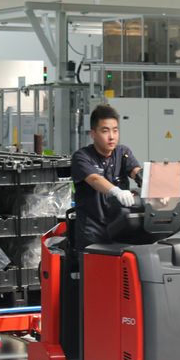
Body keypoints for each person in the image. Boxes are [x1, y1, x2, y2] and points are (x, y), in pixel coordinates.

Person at [71, 104, 142, 254]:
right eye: (105, 131)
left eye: (115, 131)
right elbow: (95, 179)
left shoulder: (122, 153)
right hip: (92, 237)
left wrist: (153, 185)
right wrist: (116, 191)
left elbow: (136, 171)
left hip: (121, 232)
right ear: (93, 133)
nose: (112, 136)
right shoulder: (82, 157)